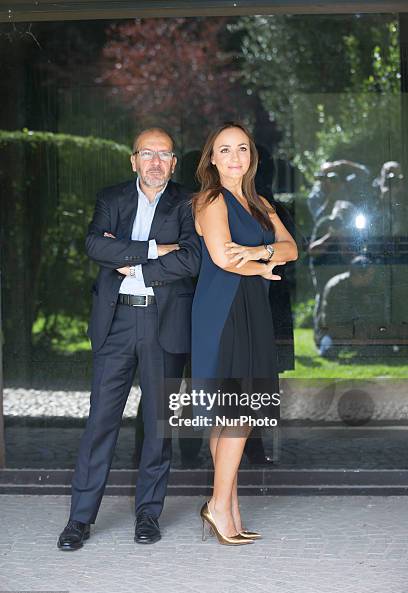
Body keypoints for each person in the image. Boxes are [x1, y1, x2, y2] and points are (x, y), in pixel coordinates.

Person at [57, 127, 201, 550]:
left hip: (164, 321)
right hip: (116, 321)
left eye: (164, 155)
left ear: (174, 163)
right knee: (100, 422)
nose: (156, 162)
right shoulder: (112, 198)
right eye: (147, 153)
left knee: (159, 426)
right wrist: (158, 249)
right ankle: (79, 520)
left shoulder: (188, 203)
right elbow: (93, 246)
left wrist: (131, 260)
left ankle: (148, 515)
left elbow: (192, 257)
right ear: (133, 160)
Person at [191, 122, 298, 545]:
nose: (235, 157)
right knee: (237, 410)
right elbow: (221, 258)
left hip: (251, 309)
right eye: (225, 149)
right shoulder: (211, 199)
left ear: (251, 156)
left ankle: (228, 508)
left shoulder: (259, 202)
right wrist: (262, 266)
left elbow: (291, 248)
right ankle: (219, 506)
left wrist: (258, 252)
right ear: (212, 159)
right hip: (222, 310)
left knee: (231, 412)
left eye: (242, 149)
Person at [314, 255, 385, 358]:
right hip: (332, 332)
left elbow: (372, 313)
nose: (372, 277)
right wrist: (353, 335)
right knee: (330, 351)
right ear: (358, 274)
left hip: (355, 331)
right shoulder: (336, 287)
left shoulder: (366, 287)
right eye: (369, 275)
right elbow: (329, 322)